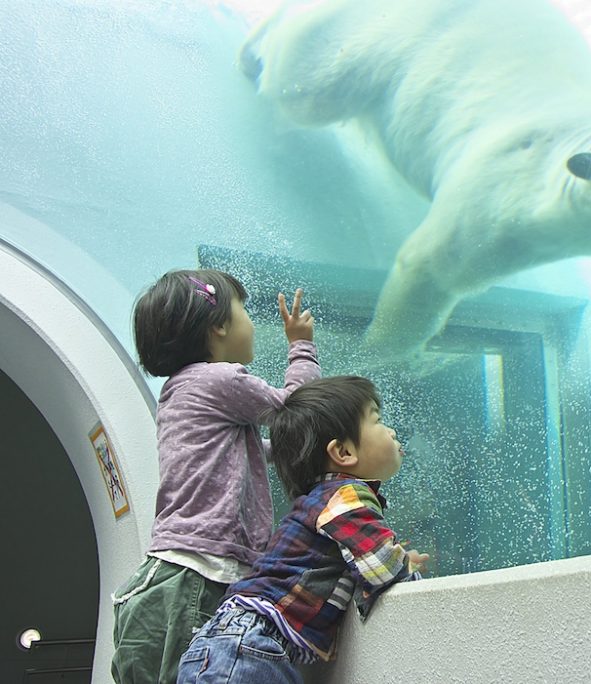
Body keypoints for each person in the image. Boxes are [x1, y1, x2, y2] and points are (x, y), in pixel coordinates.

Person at [111, 269, 321, 684]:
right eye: (242, 309)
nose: (250, 321)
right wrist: (301, 347)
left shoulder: (182, 388)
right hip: (197, 573)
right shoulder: (218, 378)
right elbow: (297, 415)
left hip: (180, 572)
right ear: (219, 325)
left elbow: (246, 455)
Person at [177, 376, 429, 683]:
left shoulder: (318, 502)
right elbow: (382, 569)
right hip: (248, 647)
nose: (390, 430)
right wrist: (406, 568)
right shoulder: (346, 494)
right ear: (344, 453)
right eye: (378, 420)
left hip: (227, 641)